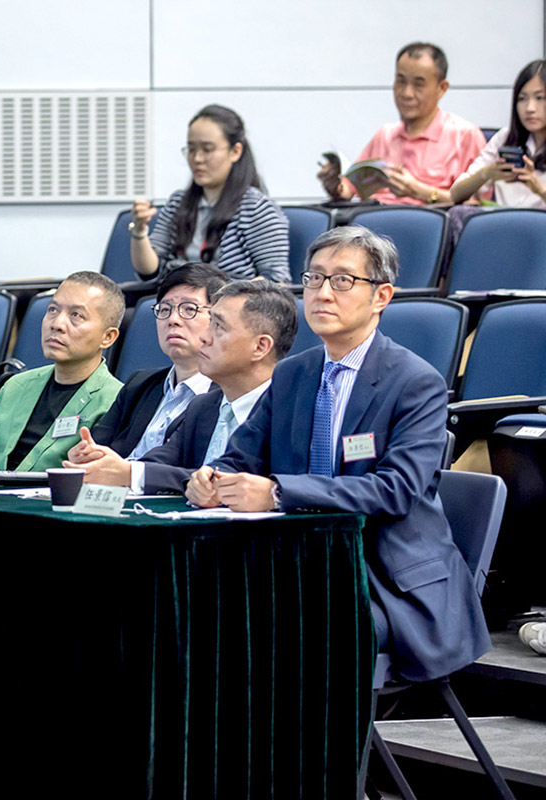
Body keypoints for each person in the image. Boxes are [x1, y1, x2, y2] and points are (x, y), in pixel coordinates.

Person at [186, 226, 490, 683]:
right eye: (314, 279)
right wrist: (210, 479)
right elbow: (239, 460)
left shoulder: (415, 382)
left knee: (284, 624)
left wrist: (276, 493)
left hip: (386, 581)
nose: (323, 293)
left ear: (381, 296)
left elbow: (395, 491)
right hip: (300, 567)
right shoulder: (291, 376)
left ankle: (306, 752)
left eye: (343, 281)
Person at [67, 280, 295, 494]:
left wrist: (128, 473)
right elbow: (160, 464)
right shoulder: (203, 406)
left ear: (260, 346)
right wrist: (105, 463)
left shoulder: (291, 413)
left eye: (218, 327)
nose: (205, 337)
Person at [0, 272, 124, 471]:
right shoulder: (16, 385)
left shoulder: (116, 400)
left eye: (76, 315)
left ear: (108, 337)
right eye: (52, 310)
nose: (57, 324)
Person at [130, 105, 289, 282]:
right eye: (191, 149)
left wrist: (228, 296)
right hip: (175, 303)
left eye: (207, 149)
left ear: (235, 151)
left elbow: (276, 280)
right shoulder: (177, 203)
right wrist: (139, 231)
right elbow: (151, 272)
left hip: (229, 305)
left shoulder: (256, 207)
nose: (197, 159)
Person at [87, 263, 228, 458]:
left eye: (189, 309)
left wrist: (127, 472)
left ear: (219, 320)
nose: (173, 319)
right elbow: (96, 448)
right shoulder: (140, 385)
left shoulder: (227, 395)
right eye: (164, 309)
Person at [319, 42, 486, 206]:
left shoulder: (465, 136)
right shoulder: (385, 135)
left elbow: (478, 206)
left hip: (428, 228)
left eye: (418, 84)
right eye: (401, 81)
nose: (407, 93)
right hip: (374, 225)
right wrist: (334, 185)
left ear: (442, 88)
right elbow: (348, 190)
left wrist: (419, 192)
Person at [450, 59, 546, 207]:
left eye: (540, 98)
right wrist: (487, 173)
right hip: (503, 226)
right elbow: (456, 195)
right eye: (522, 99)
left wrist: (538, 189)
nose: (530, 108)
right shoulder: (505, 137)